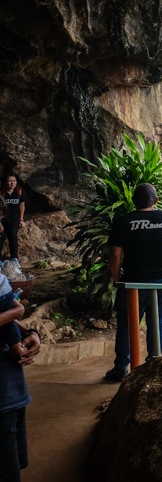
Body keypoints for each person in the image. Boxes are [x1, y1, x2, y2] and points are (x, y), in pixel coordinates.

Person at [105, 183, 162, 381]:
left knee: (127, 324)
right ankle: (153, 365)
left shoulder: (124, 221)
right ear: (156, 200)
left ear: (134, 201)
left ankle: (121, 367)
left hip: (135, 281)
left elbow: (115, 254)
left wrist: (117, 279)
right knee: (158, 322)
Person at [0, 284, 40, 482]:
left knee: (11, 465)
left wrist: (29, 334)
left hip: (10, 391)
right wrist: (17, 311)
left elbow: (10, 307)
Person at [0, 174, 26, 263]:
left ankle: (14, 259)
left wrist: (21, 219)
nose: (12, 183)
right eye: (10, 181)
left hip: (14, 218)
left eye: (14, 181)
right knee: (1, 235)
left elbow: (22, 206)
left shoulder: (19, 191)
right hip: (2, 218)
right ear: (5, 182)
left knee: (12, 235)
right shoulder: (1, 193)